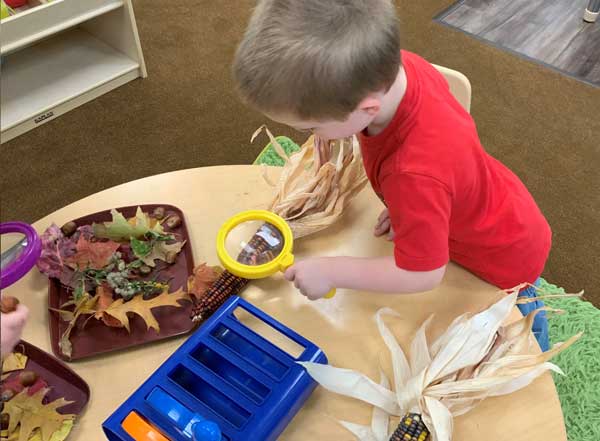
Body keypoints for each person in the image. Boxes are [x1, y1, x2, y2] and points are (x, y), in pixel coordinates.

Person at [232, 0, 551, 350]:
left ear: (367, 108)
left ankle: (539, 351)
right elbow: (439, 176)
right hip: (492, 203)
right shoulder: (397, 71)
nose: (310, 136)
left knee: (521, 336)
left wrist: (330, 271)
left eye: (311, 126)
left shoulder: (414, 174)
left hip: (503, 259)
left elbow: (423, 274)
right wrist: (411, 211)